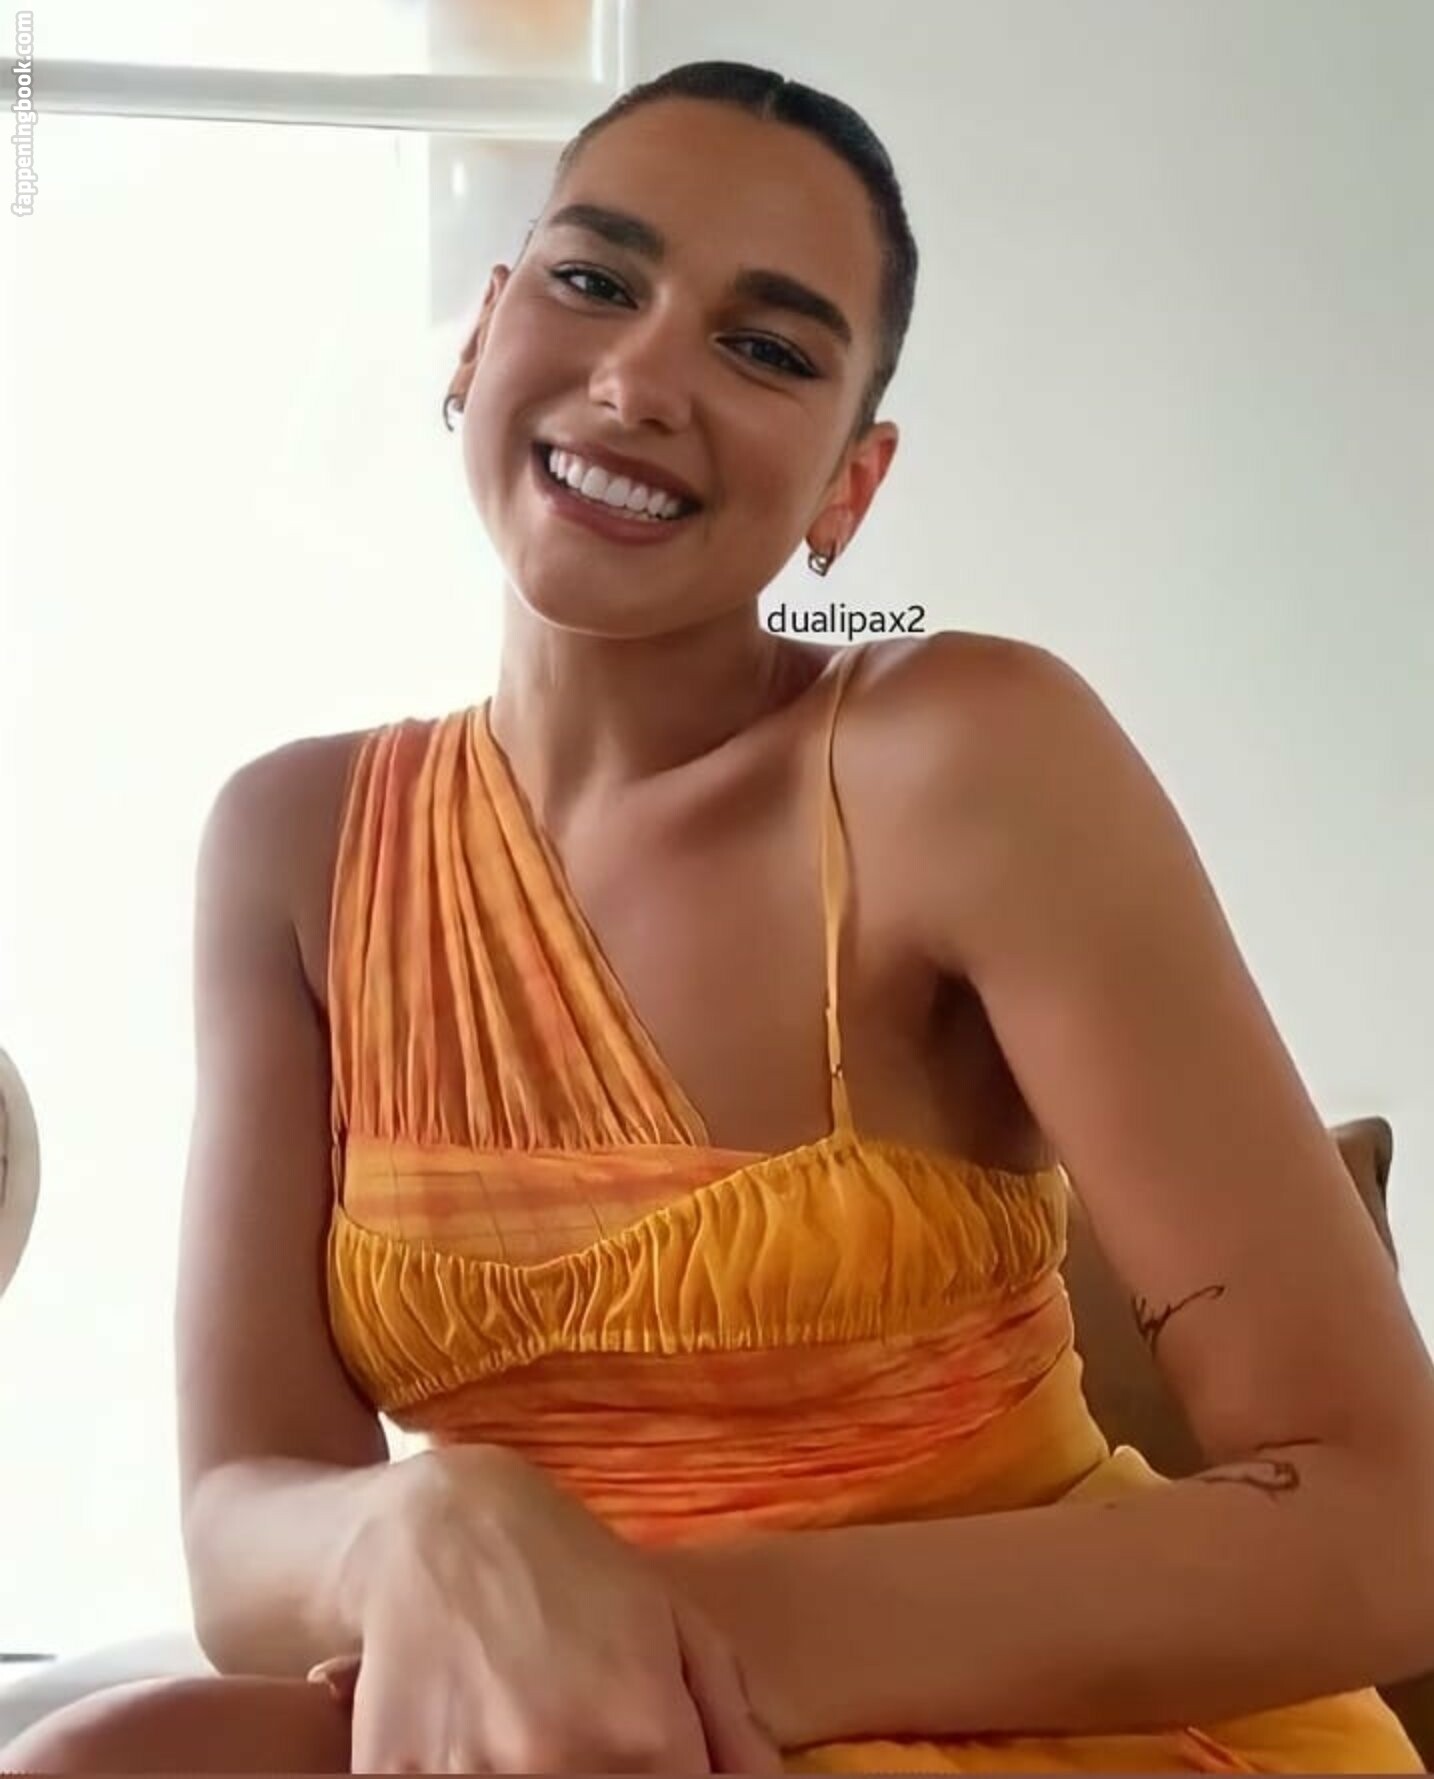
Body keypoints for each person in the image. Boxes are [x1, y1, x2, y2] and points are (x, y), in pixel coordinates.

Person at [7, 57, 1434, 1777]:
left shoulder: (961, 759)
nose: (637, 379)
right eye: (591, 279)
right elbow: (246, 1530)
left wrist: (636, 1648)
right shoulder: (291, 844)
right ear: (481, 335)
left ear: (850, 486)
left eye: (762, 348)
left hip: (1061, 1730)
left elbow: (1379, 1521)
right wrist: (419, 1527)